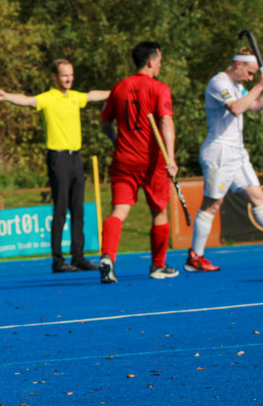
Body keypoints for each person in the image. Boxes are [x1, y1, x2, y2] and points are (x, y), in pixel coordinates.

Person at [0, 60, 109, 273]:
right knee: (60, 208)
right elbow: (26, 100)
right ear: (54, 77)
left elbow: (93, 95)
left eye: (70, 75)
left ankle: (78, 257)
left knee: (78, 209)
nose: (68, 79)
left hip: (76, 158)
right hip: (58, 157)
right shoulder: (48, 99)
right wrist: (5, 97)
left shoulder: (74, 97)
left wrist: (119, 89)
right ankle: (58, 261)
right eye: (64, 76)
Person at [99, 41, 179, 283]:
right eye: (160, 62)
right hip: (152, 162)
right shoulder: (159, 88)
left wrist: (118, 142)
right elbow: (166, 122)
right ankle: (158, 265)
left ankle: (107, 257)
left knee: (119, 211)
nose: (160, 66)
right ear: (151, 61)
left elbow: (105, 124)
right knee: (159, 211)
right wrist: (171, 158)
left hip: (123, 159)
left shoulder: (119, 87)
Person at [186, 48, 263, 272]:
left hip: (237, 153)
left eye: (253, 75)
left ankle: (195, 257)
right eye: (249, 73)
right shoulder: (218, 83)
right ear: (238, 64)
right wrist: (259, 85)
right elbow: (237, 108)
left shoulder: (239, 86)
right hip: (219, 151)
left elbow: (255, 106)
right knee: (212, 204)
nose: (250, 78)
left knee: (258, 196)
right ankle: (195, 256)